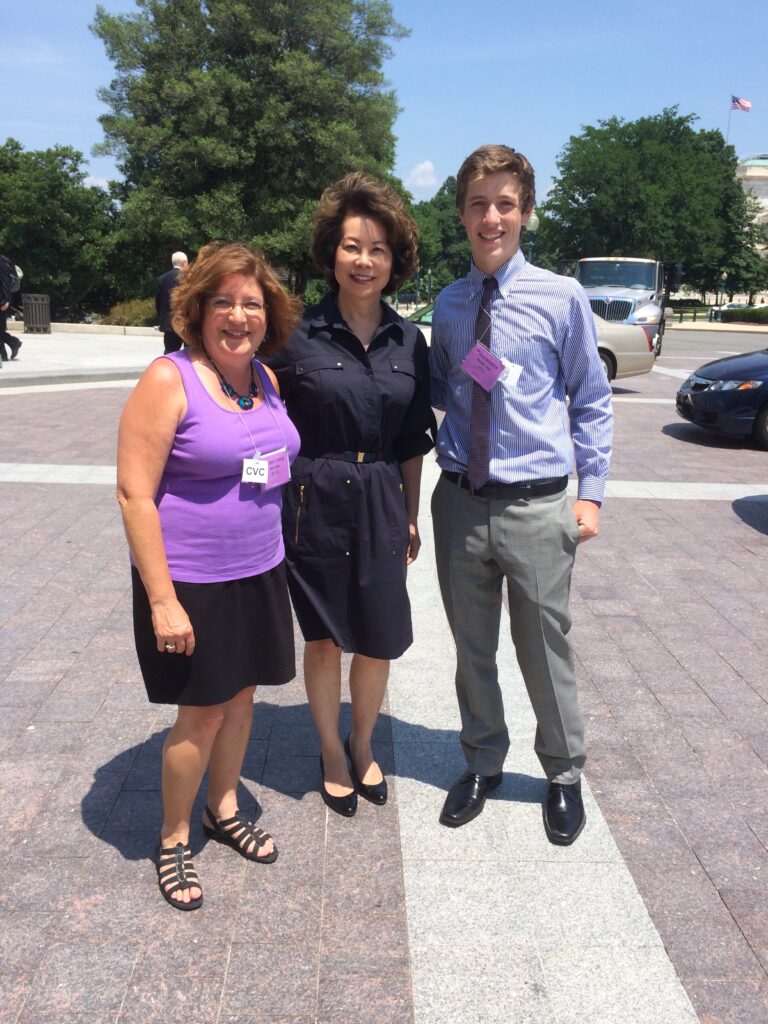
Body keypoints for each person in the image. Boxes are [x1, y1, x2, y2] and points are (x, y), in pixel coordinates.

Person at [430, 145, 613, 845]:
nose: (491, 217)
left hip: (538, 505)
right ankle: (482, 761)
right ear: (462, 213)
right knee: (471, 649)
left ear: (526, 212)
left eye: (505, 203)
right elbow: (445, 384)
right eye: (478, 203)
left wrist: (589, 495)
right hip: (461, 502)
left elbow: (591, 400)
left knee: (544, 648)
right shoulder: (449, 303)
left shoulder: (562, 296)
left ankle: (563, 773)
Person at [117, 242, 301, 909]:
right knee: (199, 716)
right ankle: (172, 837)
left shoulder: (265, 379)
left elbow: (269, 465)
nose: (237, 316)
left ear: (268, 314)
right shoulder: (170, 379)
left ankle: (223, 810)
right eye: (222, 301)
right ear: (196, 309)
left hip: (259, 568)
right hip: (192, 581)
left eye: (250, 303)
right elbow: (135, 495)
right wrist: (162, 601)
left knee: (243, 700)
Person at [268, 173, 434, 817]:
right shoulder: (294, 335)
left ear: (395, 262)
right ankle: (329, 751)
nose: (364, 260)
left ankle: (362, 742)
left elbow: (416, 437)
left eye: (378, 249)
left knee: (378, 637)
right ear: (330, 252)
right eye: (351, 246)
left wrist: (413, 514)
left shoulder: (408, 342)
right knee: (325, 639)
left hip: (383, 498)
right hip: (315, 501)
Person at [155, 251, 188, 353]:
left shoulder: (162, 279)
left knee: (170, 353)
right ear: (183, 263)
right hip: (185, 323)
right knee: (190, 353)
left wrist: (161, 319)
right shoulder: (188, 278)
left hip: (168, 324)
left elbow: (158, 302)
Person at [0, 254, 22, 363]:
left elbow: (5, 282)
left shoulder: (1, 261)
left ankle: (4, 354)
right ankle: (13, 343)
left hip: (1, 301)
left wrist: (6, 300)